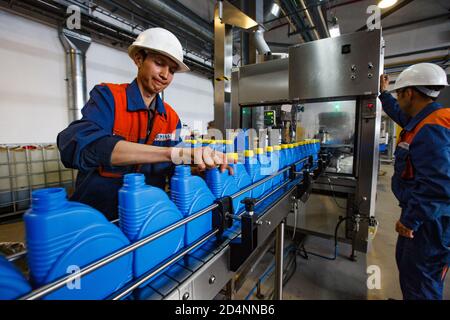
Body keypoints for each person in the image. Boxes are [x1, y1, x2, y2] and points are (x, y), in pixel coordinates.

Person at [57, 28, 229, 220]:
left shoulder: (170, 117)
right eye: (159, 63)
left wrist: (201, 167)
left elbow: (175, 169)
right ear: (139, 59)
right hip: (97, 218)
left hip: (147, 218)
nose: (165, 75)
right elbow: (75, 146)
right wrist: (170, 153)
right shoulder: (109, 97)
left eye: (171, 70)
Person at [379, 63, 450, 300]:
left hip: (430, 222)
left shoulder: (433, 128)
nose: (398, 100)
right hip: (423, 215)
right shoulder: (424, 119)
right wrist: (383, 94)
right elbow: (399, 113)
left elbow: (438, 186)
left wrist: (411, 220)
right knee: (410, 270)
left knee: (422, 279)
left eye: (399, 95)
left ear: (409, 93)